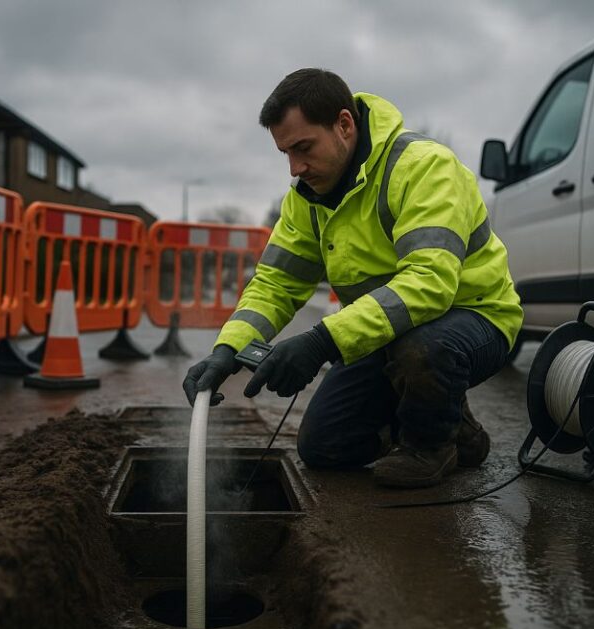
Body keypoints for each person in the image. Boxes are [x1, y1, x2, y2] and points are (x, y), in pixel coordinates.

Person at [183, 68, 522, 488]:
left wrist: (320, 341)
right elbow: (276, 283)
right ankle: (455, 425)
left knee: (425, 348)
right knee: (325, 448)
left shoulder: (425, 167)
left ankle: (430, 444)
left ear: (344, 124)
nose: (295, 168)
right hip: (387, 335)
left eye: (303, 147)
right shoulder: (307, 198)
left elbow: (430, 282)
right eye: (285, 153)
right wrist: (228, 349)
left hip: (473, 318)